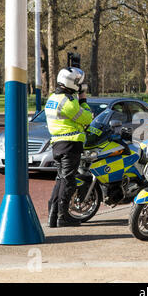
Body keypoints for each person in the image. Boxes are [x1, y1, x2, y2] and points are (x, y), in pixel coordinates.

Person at [45, 67, 93, 227]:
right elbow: (87, 118)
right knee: (69, 182)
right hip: (70, 144)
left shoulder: (53, 98)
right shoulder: (69, 102)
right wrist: (83, 99)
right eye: (78, 83)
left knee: (61, 180)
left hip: (57, 144)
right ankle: (63, 216)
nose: (80, 86)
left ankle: (53, 215)